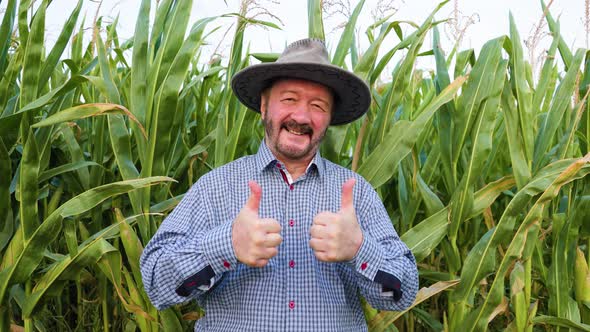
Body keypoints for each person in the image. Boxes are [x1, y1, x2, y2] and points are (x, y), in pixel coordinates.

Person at [140, 38, 419, 331]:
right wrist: (225, 246)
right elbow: (157, 284)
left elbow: (401, 295)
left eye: (317, 105)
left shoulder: (356, 192)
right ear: (263, 106)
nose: (301, 116)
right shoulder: (216, 187)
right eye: (289, 100)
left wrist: (360, 249)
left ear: (329, 118)